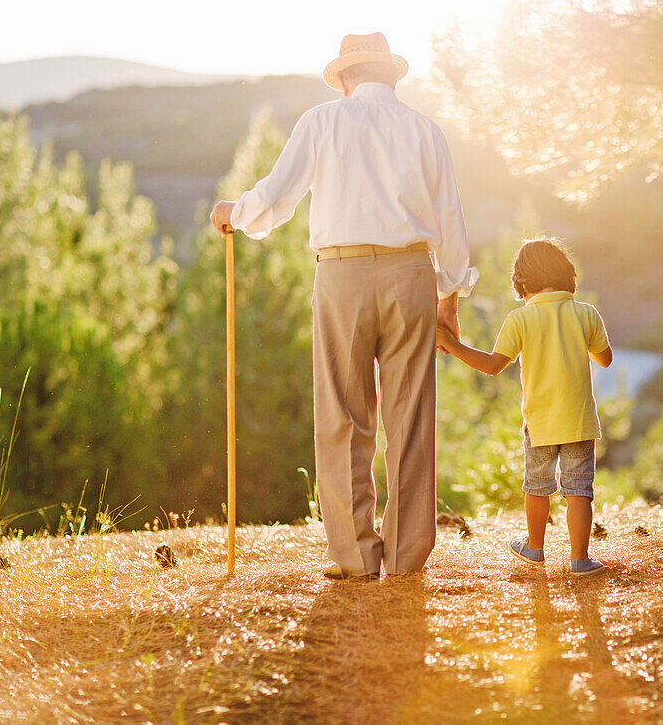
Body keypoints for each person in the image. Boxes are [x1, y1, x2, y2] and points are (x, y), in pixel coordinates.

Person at [210, 33, 478, 580]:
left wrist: (233, 212)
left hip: (342, 274)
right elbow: (451, 222)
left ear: (347, 77)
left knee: (343, 416)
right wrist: (449, 299)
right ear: (390, 75)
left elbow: (278, 197)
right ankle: (405, 558)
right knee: (411, 417)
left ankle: (356, 556)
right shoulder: (426, 131)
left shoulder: (322, 121)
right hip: (412, 275)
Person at [435, 237, 612, 576]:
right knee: (578, 489)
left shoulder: (520, 319)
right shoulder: (586, 313)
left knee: (537, 486)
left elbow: (492, 366)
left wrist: (451, 344)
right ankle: (580, 559)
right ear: (567, 276)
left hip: (541, 423)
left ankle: (534, 547)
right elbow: (604, 359)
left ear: (522, 283)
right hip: (578, 421)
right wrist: (578, 341)